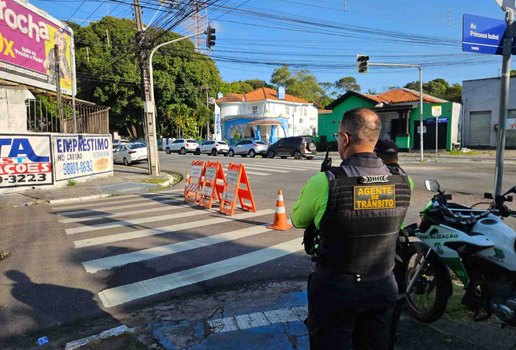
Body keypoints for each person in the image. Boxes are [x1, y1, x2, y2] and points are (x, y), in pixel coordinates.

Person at [292, 108, 412, 350]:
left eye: (338, 135)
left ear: (345, 139)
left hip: (335, 288)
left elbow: (298, 220)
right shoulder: (403, 181)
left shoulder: (326, 181)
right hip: (383, 285)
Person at [375, 139, 414, 350]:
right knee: (393, 301)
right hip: (395, 249)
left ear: (377, 155)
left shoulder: (375, 178)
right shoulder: (407, 179)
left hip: (374, 251)